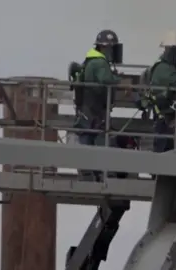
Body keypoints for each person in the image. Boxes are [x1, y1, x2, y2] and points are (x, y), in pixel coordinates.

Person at [69, 29, 123, 181]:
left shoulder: (90, 60)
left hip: (87, 110)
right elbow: (105, 80)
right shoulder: (99, 63)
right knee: (100, 139)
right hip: (94, 110)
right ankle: (102, 173)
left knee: (88, 139)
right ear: (106, 47)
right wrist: (121, 82)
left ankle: (88, 173)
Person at [144, 30, 176, 153]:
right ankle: (159, 172)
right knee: (164, 150)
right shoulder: (163, 68)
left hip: (171, 117)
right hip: (164, 118)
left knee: (170, 147)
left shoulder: (172, 68)